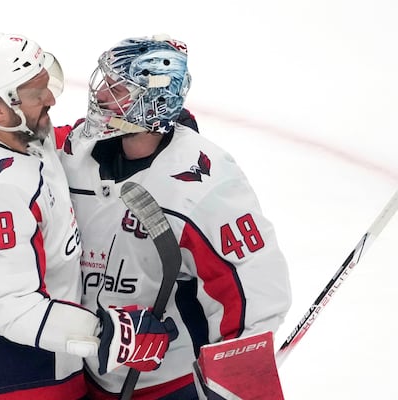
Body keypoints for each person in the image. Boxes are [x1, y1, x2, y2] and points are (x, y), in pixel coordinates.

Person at [0, 32, 178, 400]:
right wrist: (111, 333)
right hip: (7, 382)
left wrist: (136, 123)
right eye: (37, 93)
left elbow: (49, 154)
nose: (51, 98)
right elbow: (11, 308)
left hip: (38, 370)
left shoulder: (8, 134)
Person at [56, 34, 292, 399]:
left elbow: (252, 288)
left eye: (118, 89)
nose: (101, 95)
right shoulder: (75, 151)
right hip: (83, 373)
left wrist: (237, 378)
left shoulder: (203, 184)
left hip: (170, 385)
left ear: (152, 102)